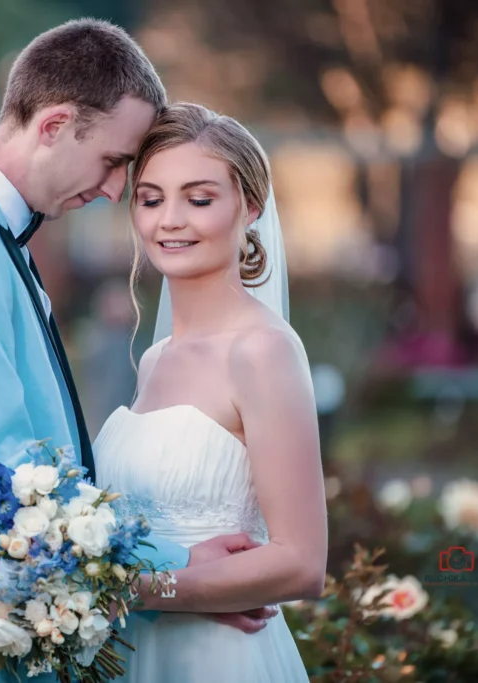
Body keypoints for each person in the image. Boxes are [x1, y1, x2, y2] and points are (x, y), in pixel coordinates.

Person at [0, 21, 276, 683]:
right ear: (53, 125)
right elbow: (8, 475)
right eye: (114, 161)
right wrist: (176, 568)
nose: (116, 190)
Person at [94, 102, 327, 682]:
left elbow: (301, 563)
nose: (169, 220)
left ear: (250, 206)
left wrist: (141, 592)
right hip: (128, 655)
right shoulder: (152, 361)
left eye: (198, 199)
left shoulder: (264, 351)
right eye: (150, 199)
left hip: (216, 661)